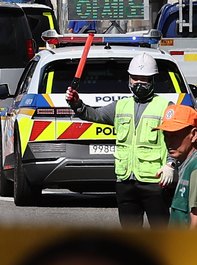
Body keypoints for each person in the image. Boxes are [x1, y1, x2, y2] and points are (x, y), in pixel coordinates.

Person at [66, 53, 178, 227]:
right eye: (135, 78)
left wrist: (171, 165)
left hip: (155, 181)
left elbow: (177, 140)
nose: (138, 83)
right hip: (125, 181)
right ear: (129, 79)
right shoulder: (120, 105)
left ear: (153, 80)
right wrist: (77, 104)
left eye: (144, 79)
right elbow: (94, 114)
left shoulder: (166, 107)